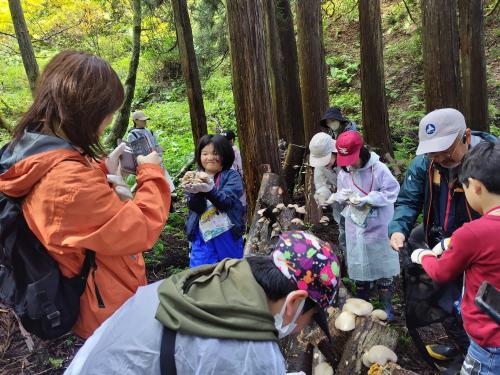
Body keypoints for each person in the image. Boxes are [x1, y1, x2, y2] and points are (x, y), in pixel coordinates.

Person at [0, 51, 171, 338]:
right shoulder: (68, 185)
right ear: (85, 113)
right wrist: (152, 173)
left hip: (93, 294)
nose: (108, 121)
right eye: (108, 113)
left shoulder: (31, 147)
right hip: (108, 308)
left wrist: (103, 167)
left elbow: (70, 187)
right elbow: (141, 228)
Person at [64, 231, 341, 375]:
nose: (300, 329)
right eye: (309, 319)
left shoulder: (200, 283)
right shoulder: (250, 350)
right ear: (295, 301)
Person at [388, 108, 497, 361]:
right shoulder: (425, 164)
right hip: (441, 242)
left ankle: (482, 354)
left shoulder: (491, 162)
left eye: (445, 152)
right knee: (445, 299)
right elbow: (408, 200)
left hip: (482, 249)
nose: (438, 158)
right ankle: (461, 350)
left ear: (466, 136)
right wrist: (397, 229)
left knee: (482, 307)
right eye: (432, 153)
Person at [411, 141, 500, 375]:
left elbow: (442, 272)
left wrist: (424, 255)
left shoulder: (471, 233)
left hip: (489, 343)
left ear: (476, 187)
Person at [327, 131, 400, 320]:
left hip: (378, 224)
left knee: (383, 267)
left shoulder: (379, 169)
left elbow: (392, 191)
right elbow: (344, 190)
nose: (349, 163)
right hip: (356, 225)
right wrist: (340, 197)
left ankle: (386, 308)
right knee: (359, 265)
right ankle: (362, 306)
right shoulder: (345, 172)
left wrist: (369, 199)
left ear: (361, 151)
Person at [184, 134, 245, 268]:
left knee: (231, 271)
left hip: (227, 232)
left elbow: (226, 202)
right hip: (202, 234)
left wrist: (210, 190)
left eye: (215, 153)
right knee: (200, 273)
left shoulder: (232, 176)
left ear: (225, 155)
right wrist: (195, 193)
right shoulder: (194, 177)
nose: (209, 158)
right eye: (205, 153)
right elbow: (196, 208)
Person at [308, 132, 347, 257]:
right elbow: (320, 184)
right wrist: (322, 195)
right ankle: (347, 264)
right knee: (344, 234)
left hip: (358, 205)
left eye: (326, 158)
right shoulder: (320, 167)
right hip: (339, 208)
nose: (324, 164)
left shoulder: (348, 159)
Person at [128, 110, 175, 193]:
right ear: (135, 121)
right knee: (155, 188)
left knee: (166, 186)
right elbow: (136, 153)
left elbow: (155, 145)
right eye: (142, 120)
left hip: (158, 163)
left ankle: (169, 202)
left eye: (145, 120)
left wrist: (160, 150)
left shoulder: (149, 131)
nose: (144, 122)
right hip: (146, 166)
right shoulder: (132, 135)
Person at [223, 129, 247, 222]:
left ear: (232, 140)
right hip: (231, 177)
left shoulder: (235, 151)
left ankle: (241, 220)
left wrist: (242, 176)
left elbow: (240, 165)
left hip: (235, 177)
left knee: (239, 198)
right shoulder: (228, 150)